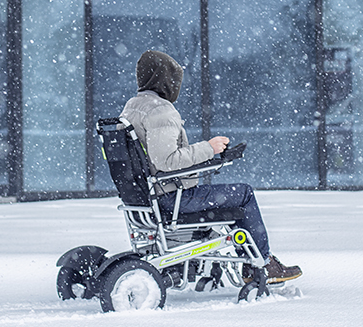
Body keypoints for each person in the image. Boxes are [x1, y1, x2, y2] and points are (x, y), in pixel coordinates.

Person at [120, 50, 302, 283]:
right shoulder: (160, 110)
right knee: (243, 194)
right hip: (171, 198)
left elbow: (155, 159)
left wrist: (211, 156)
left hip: (147, 198)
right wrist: (209, 148)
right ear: (163, 79)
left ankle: (223, 263)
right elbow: (166, 161)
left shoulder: (132, 106)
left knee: (229, 197)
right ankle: (261, 264)